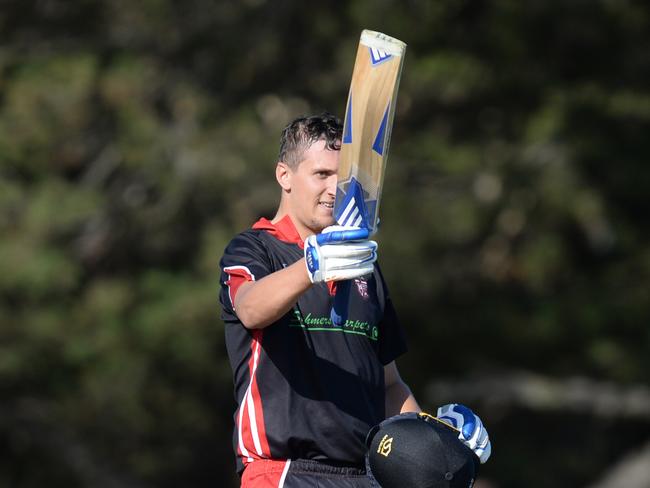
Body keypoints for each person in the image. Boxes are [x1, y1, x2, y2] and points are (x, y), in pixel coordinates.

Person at [218, 113, 490, 487]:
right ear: (285, 176)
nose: (335, 190)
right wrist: (311, 266)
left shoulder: (363, 267)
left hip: (366, 475)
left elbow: (389, 386)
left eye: (342, 178)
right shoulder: (253, 248)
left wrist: (438, 439)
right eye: (322, 175)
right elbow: (249, 308)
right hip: (284, 471)